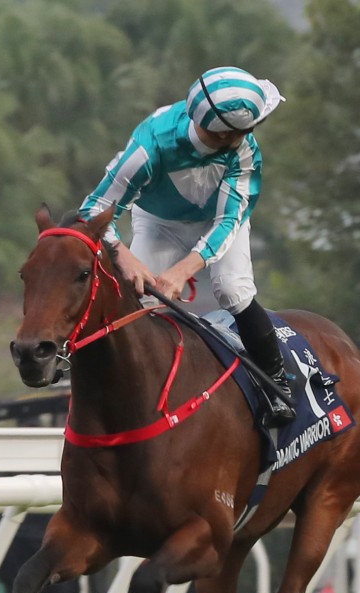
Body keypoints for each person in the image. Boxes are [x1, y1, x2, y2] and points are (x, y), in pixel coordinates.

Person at [78, 66, 294, 425]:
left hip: (218, 222)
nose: (251, 137)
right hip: (159, 222)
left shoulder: (244, 152)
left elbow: (228, 221)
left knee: (233, 289)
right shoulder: (150, 146)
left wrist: (182, 270)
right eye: (247, 131)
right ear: (223, 133)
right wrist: (124, 256)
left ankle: (276, 387)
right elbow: (93, 211)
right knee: (139, 298)